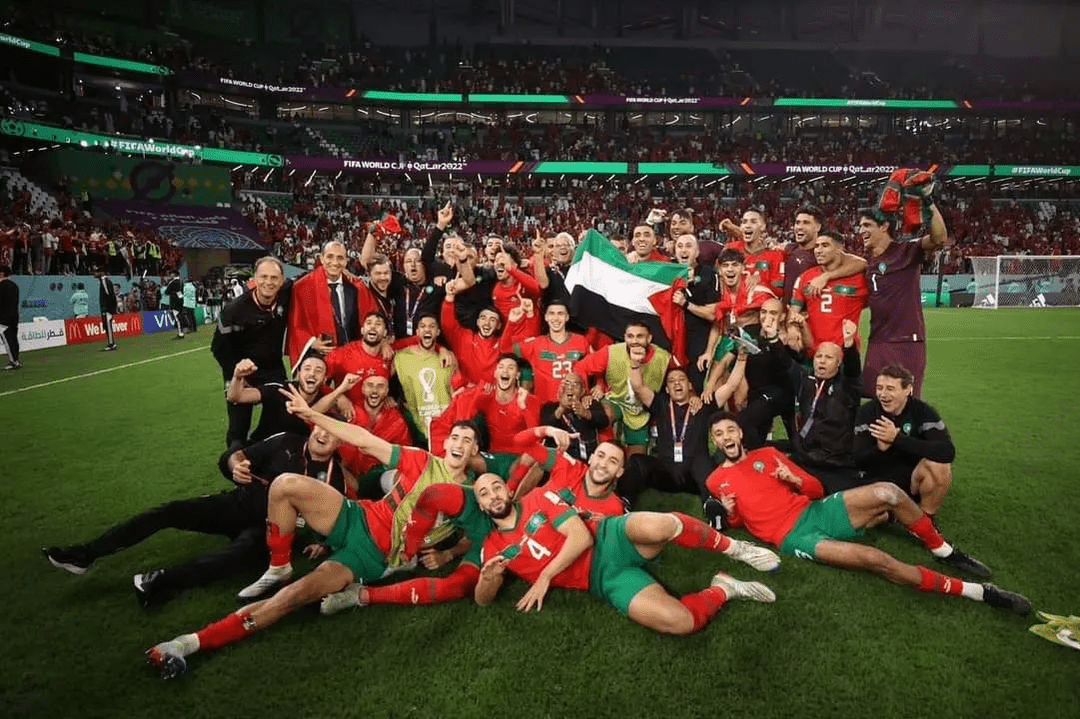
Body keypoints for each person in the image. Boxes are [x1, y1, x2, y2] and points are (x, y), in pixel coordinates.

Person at [145, 397, 484, 680]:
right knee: (284, 485)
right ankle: (279, 565)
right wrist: (311, 414)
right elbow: (363, 439)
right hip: (357, 516)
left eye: (466, 440)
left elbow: (478, 537)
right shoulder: (421, 460)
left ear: (474, 450)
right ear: (445, 442)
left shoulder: (473, 496)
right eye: (454, 437)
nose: (458, 444)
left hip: (370, 557)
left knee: (290, 598)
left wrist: (449, 553)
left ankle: (185, 644)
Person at [704, 413, 1030, 615]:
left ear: (740, 433)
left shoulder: (768, 453)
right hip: (793, 536)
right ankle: (979, 592)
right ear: (715, 441)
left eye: (730, 430)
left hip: (814, 510)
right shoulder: (715, 480)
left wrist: (795, 480)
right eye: (719, 434)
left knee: (888, 491)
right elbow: (740, 524)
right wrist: (730, 515)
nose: (726, 437)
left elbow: (816, 489)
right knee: (876, 559)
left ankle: (942, 550)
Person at [397, 472, 779, 636]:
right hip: (603, 579)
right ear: (481, 506)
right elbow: (482, 601)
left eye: (497, 487)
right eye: (484, 493)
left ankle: (735, 548)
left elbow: (580, 537)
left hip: (608, 538)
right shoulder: (491, 548)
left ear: (508, 490)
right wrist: (487, 579)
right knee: (679, 622)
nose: (494, 494)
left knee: (662, 525)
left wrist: (545, 576)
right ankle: (724, 587)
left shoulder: (538, 498)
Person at [42, 424, 347, 608]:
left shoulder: (335, 480)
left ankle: (159, 581)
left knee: (235, 556)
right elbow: (239, 455)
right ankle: (85, 555)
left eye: (333, 433)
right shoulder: (286, 441)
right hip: (237, 504)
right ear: (313, 427)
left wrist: (322, 543)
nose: (323, 434)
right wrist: (236, 466)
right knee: (170, 512)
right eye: (322, 427)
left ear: (340, 442)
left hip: (266, 530)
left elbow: (332, 521)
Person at [859, 202, 948, 397]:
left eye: (867, 225)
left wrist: (928, 203)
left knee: (903, 401)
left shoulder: (906, 250)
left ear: (884, 227)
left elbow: (940, 239)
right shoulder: (869, 261)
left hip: (905, 341)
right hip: (877, 340)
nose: (861, 230)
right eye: (860, 226)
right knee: (875, 397)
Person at [770, 319, 864, 493]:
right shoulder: (805, 379)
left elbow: (853, 369)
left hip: (836, 463)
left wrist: (849, 344)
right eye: (819, 356)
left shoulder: (848, 386)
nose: (822, 361)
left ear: (839, 363)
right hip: (806, 458)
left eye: (829, 358)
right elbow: (786, 362)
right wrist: (772, 338)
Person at [853, 364, 955, 517]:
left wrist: (897, 439)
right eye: (879, 388)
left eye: (890, 389)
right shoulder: (866, 412)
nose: (883, 394)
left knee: (940, 466)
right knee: (864, 520)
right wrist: (879, 450)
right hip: (875, 481)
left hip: (911, 481)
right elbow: (855, 460)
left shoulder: (922, 412)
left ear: (908, 390)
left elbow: (947, 452)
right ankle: (890, 514)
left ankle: (925, 519)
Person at [211, 257, 293, 446]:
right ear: (254, 279)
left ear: (282, 281)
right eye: (263, 277)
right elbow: (218, 349)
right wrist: (237, 374)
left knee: (284, 416)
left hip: (272, 369)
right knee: (238, 429)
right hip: (240, 370)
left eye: (274, 277)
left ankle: (275, 454)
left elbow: (312, 277)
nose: (269, 282)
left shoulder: (286, 293)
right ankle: (235, 458)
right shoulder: (234, 311)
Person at [573, 321, 671, 455]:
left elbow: (679, 378)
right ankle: (605, 454)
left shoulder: (664, 358)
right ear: (624, 337)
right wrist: (585, 394)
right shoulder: (611, 352)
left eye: (640, 336)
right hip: (615, 401)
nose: (634, 341)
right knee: (602, 413)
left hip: (641, 411)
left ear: (649, 338)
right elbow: (580, 368)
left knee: (637, 461)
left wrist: (693, 396)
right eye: (630, 336)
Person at [287, 240, 370, 366]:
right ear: (321, 258)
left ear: (346, 261)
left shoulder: (355, 288)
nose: (335, 262)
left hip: (351, 358)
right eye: (330, 257)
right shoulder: (303, 287)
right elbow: (295, 323)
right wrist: (311, 342)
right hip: (319, 358)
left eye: (340, 258)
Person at [790, 230, 870, 352]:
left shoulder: (859, 279)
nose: (818, 250)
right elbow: (793, 312)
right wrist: (792, 328)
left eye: (825, 245)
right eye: (817, 246)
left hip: (845, 351)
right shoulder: (806, 277)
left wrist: (826, 276)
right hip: (813, 352)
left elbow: (863, 263)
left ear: (839, 249)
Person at [503, 300, 591, 405]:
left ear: (567, 317)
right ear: (546, 317)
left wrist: (600, 385)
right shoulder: (536, 344)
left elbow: (595, 366)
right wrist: (511, 322)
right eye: (552, 313)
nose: (556, 318)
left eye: (560, 313)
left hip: (576, 405)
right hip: (546, 407)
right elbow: (505, 349)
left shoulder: (581, 341)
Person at [226, 353, 327, 444]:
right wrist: (237, 377)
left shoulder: (328, 401)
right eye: (307, 369)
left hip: (294, 453)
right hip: (261, 448)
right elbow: (236, 397)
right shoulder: (279, 389)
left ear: (324, 378)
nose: (312, 374)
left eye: (318, 371)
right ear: (298, 373)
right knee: (234, 451)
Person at [393, 313, 454, 443]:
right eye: (423, 326)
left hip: (445, 426)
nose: (427, 329)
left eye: (432, 326)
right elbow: (381, 376)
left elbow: (455, 391)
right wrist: (387, 397)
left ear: (438, 332)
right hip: (416, 425)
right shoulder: (402, 356)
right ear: (417, 332)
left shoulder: (449, 358)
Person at [539, 373, 610, 465]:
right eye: (567, 383)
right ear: (561, 388)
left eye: (575, 385)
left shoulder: (589, 404)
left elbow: (604, 422)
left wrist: (586, 413)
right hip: (560, 457)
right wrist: (561, 409)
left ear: (582, 391)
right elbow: (546, 427)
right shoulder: (549, 407)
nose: (570, 388)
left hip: (586, 457)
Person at [0, 265, 19, 370]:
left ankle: (13, 361)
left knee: (8, 340)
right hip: (14, 315)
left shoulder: (2, 286)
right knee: (13, 338)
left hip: (3, 317)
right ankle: (16, 359)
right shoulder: (14, 286)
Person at [97, 269, 119, 351]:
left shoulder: (105, 281)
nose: (95, 274)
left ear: (101, 272)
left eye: (96, 272)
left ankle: (111, 343)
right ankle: (111, 342)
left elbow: (109, 294)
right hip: (107, 308)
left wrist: (110, 308)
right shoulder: (105, 281)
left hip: (107, 308)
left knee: (108, 326)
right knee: (106, 326)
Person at [164, 272, 185, 339]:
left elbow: (166, 292)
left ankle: (180, 333)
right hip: (181, 300)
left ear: (174, 275)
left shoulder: (172, 282)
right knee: (180, 316)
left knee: (177, 318)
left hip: (174, 301)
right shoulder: (181, 282)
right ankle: (181, 331)